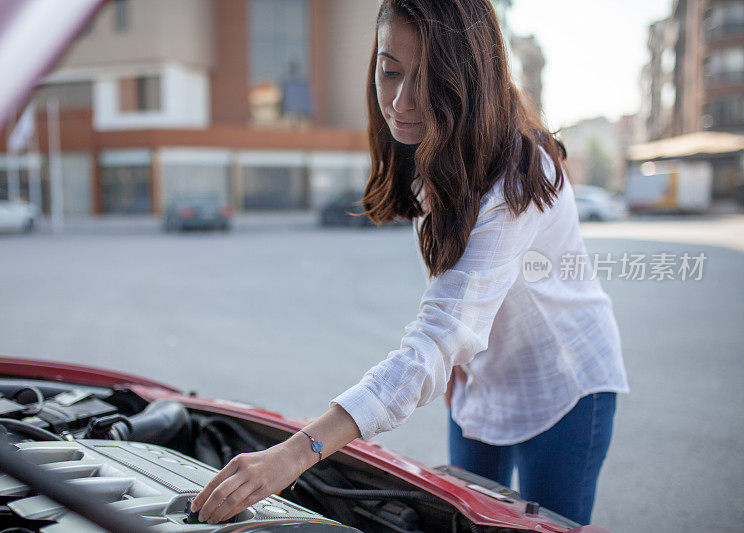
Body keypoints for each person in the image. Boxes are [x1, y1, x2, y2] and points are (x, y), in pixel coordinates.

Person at [191, 0, 629, 526]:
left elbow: (440, 335)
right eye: (388, 70)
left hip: (563, 382)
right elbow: (458, 304)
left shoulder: (518, 171)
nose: (399, 101)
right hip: (478, 379)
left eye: (426, 80)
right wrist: (458, 363)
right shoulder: (428, 144)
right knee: (458, 522)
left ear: (468, 80)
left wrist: (294, 454)